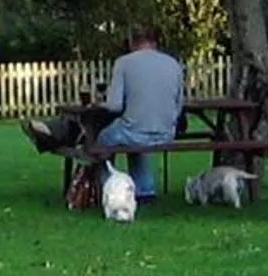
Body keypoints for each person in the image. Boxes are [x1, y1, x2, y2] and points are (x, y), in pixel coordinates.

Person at [24, 27, 186, 196]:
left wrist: (102, 101)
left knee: (101, 140)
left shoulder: (124, 63)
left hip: (134, 131)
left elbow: (114, 105)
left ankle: (108, 186)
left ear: (131, 42)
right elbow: (179, 103)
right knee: (134, 135)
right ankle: (144, 189)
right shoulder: (173, 64)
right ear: (156, 42)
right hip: (166, 132)